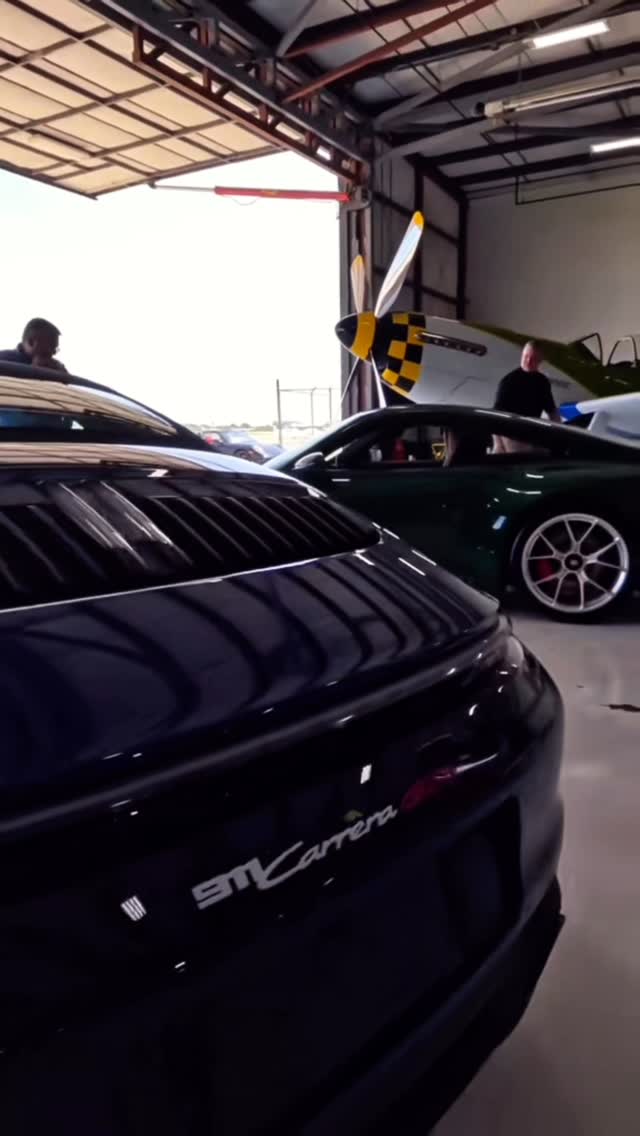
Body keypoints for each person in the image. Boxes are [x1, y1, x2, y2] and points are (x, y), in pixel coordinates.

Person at [493, 340, 560, 453]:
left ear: (540, 360)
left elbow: (552, 411)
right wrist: (497, 444)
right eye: (526, 356)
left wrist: (559, 435)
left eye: (533, 358)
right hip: (511, 433)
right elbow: (496, 414)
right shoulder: (509, 381)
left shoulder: (542, 382)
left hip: (532, 431)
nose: (528, 361)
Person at [0, 318, 66, 371]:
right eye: (51, 347)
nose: (54, 353)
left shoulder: (55, 366)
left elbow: (68, 380)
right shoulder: (4, 359)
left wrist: (60, 371)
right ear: (31, 342)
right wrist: (34, 370)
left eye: (55, 349)